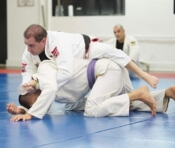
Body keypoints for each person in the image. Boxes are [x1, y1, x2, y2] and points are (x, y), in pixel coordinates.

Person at [7, 58, 175, 122]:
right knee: (79, 106)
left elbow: (38, 85)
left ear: (33, 92)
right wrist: (23, 110)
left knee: (92, 109)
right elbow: (43, 108)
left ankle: (138, 93)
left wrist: (29, 111)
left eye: (37, 101)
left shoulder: (43, 79)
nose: (41, 105)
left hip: (106, 71)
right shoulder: (50, 90)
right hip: (110, 71)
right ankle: (167, 94)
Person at [19, 24, 158, 97]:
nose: (28, 49)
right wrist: (27, 86)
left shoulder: (57, 42)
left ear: (43, 41)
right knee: (72, 104)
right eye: (26, 44)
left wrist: (38, 83)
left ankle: (144, 76)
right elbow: (27, 72)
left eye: (31, 45)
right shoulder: (29, 51)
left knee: (114, 54)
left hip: (89, 49)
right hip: (82, 67)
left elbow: (65, 73)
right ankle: (137, 96)